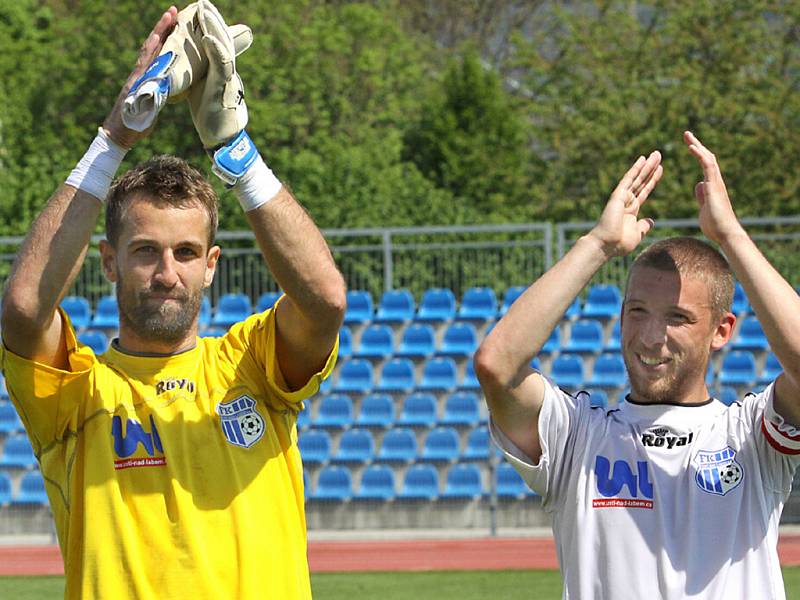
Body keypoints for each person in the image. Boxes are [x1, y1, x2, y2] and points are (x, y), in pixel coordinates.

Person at [0, 6, 345, 600]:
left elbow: (323, 303)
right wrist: (113, 140)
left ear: (210, 267)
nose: (167, 274)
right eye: (144, 252)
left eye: (186, 252)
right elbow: (26, 309)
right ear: (109, 262)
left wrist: (237, 152)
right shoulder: (75, 390)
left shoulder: (251, 365)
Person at [475, 132, 800, 599]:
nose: (651, 337)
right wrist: (599, 243)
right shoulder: (578, 439)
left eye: (678, 318)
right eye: (638, 312)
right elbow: (497, 364)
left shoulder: (751, 437)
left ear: (722, 331)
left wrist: (731, 236)